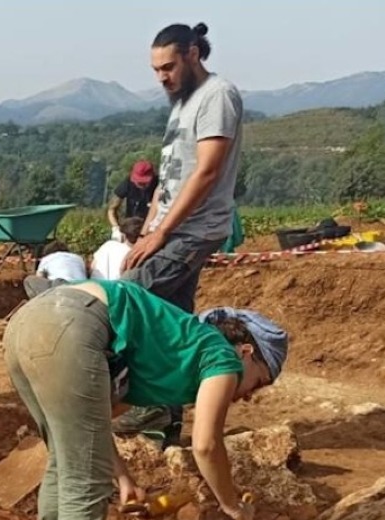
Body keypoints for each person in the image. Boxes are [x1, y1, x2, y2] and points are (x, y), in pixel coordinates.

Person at [3, 279, 286, 520]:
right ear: (247, 352)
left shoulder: (169, 354)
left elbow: (96, 425)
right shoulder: (221, 355)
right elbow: (205, 445)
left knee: (66, 458)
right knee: (83, 483)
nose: (249, 397)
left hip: (29, 322)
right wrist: (232, 506)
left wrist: (123, 478)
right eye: (260, 383)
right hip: (71, 324)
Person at [117, 22, 245, 436]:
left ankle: (146, 405)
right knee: (171, 318)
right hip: (172, 228)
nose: (162, 77)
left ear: (193, 54)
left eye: (168, 67)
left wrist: (161, 234)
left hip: (194, 229)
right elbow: (169, 179)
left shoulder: (216, 96)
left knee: (128, 300)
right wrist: (148, 229)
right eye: (156, 70)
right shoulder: (182, 103)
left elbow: (206, 172)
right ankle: (166, 417)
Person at [106, 160, 159, 242]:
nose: (141, 185)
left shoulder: (159, 185)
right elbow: (111, 209)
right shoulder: (127, 184)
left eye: (145, 182)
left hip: (152, 228)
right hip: (131, 228)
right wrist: (115, 228)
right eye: (139, 182)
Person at [24, 240, 88, 299]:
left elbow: (39, 276)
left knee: (29, 280)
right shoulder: (78, 258)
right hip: (83, 288)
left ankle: (40, 303)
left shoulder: (47, 258)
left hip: (60, 285)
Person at [90, 217, 145, 281]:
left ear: (124, 235)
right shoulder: (138, 256)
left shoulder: (108, 245)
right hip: (119, 289)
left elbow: (92, 267)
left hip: (96, 287)